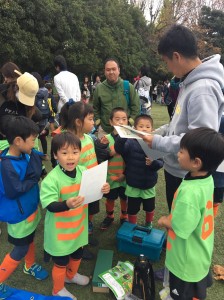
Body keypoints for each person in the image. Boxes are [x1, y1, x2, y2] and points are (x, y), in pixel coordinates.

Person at [142, 24, 224, 212]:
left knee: (180, 225)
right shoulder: (190, 82)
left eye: (166, 61)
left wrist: (158, 142)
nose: (167, 67)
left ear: (176, 57)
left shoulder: (202, 89)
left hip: (186, 173)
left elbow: (199, 142)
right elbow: (181, 122)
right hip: (177, 168)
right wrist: (162, 131)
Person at [40, 132, 110, 299]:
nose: (70, 157)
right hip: (60, 234)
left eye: (75, 152)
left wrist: (103, 188)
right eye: (64, 153)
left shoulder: (84, 171)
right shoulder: (51, 179)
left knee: (77, 254)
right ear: (55, 155)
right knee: (61, 262)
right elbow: (49, 206)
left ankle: (71, 276)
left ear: (81, 153)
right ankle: (57, 289)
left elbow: (93, 190)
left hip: (78, 227)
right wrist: (66, 204)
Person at [158, 127, 224, 300]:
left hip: (185, 259)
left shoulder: (190, 193)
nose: (178, 154)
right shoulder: (207, 178)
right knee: (196, 287)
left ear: (196, 162)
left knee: (182, 292)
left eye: (181, 151)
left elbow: (181, 227)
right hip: (199, 251)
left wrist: (165, 221)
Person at [0, 116, 48, 299]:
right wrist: (33, 179)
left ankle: (29, 266)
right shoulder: (7, 165)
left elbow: (37, 167)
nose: (35, 144)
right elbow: (14, 191)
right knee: (19, 249)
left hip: (30, 210)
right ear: (18, 141)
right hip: (18, 216)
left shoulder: (25, 154)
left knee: (31, 239)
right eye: (33, 140)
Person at [115, 115, 163, 228]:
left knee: (150, 207)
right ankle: (132, 224)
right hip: (133, 184)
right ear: (135, 128)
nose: (144, 129)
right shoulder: (130, 143)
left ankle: (148, 223)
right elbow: (119, 149)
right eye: (141, 126)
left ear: (152, 129)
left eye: (147, 126)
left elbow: (161, 163)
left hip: (149, 184)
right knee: (132, 208)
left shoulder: (154, 144)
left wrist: (153, 163)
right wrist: (122, 136)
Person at [93, 58, 140, 138]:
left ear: (119, 70)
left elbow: (136, 107)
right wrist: (99, 122)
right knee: (104, 150)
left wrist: (129, 122)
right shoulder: (99, 88)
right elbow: (95, 108)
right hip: (105, 130)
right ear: (104, 71)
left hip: (125, 130)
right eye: (108, 70)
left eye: (114, 69)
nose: (111, 72)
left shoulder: (128, 87)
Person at [99, 107, 128, 230]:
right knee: (110, 198)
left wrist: (125, 174)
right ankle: (109, 216)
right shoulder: (106, 139)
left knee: (124, 197)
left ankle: (124, 216)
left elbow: (132, 158)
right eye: (117, 119)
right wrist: (110, 151)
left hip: (125, 176)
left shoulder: (130, 139)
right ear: (111, 122)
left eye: (124, 119)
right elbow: (102, 157)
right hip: (110, 176)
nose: (121, 122)